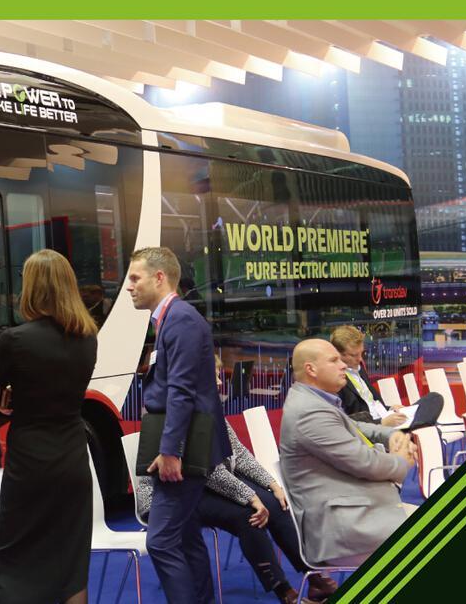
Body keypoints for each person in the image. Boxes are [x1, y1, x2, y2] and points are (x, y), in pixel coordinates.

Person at [134, 357, 337, 604]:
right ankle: (284, 591)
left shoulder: (208, 407)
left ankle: (314, 577)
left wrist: (272, 484)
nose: (221, 382)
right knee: (248, 515)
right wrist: (250, 497)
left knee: (276, 503)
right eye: (215, 376)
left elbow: (238, 453)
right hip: (170, 495)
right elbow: (210, 472)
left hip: (201, 485)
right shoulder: (178, 412)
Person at [0, 249, 98, 604]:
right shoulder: (88, 337)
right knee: (70, 564)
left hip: (30, 465)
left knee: (14, 557)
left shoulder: (15, 340)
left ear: (32, 288)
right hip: (73, 460)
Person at [126, 246, 230, 604]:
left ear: (159, 278)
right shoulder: (172, 318)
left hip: (185, 448)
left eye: (135, 278)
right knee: (184, 537)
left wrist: (171, 451)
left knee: (160, 541)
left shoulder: (181, 319)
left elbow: (181, 391)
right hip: (187, 444)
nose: (129, 286)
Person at [279, 339, 415, 566]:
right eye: (334, 360)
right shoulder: (309, 412)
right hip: (346, 529)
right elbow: (365, 463)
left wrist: (390, 435)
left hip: (358, 512)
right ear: (311, 369)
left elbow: (354, 427)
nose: (343, 365)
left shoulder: (314, 400)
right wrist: (401, 461)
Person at [330, 325, 442, 429]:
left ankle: (415, 423)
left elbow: (372, 402)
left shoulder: (359, 368)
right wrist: (382, 423)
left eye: (361, 353)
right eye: (354, 355)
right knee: (428, 415)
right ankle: (416, 424)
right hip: (375, 428)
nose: (360, 359)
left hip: (385, 416)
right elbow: (348, 422)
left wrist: (390, 409)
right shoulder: (336, 380)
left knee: (434, 398)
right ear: (338, 354)